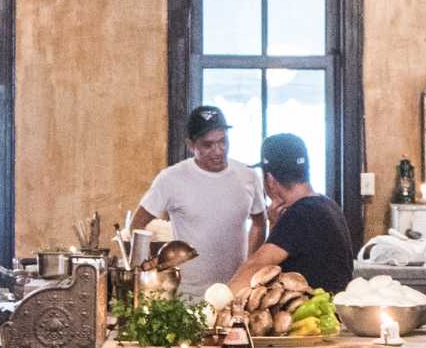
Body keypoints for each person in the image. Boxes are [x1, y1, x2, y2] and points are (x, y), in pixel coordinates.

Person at [130, 103, 262, 292]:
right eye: (208, 145)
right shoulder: (170, 179)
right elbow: (137, 224)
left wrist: (249, 267)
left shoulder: (248, 176)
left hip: (235, 291)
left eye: (223, 141)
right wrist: (154, 263)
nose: (218, 150)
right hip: (186, 294)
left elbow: (259, 222)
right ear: (191, 145)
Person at [234, 132, 354, 295]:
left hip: (315, 317)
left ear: (270, 180)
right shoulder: (327, 205)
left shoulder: (300, 215)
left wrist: (211, 308)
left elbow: (255, 267)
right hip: (331, 314)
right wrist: (274, 225)